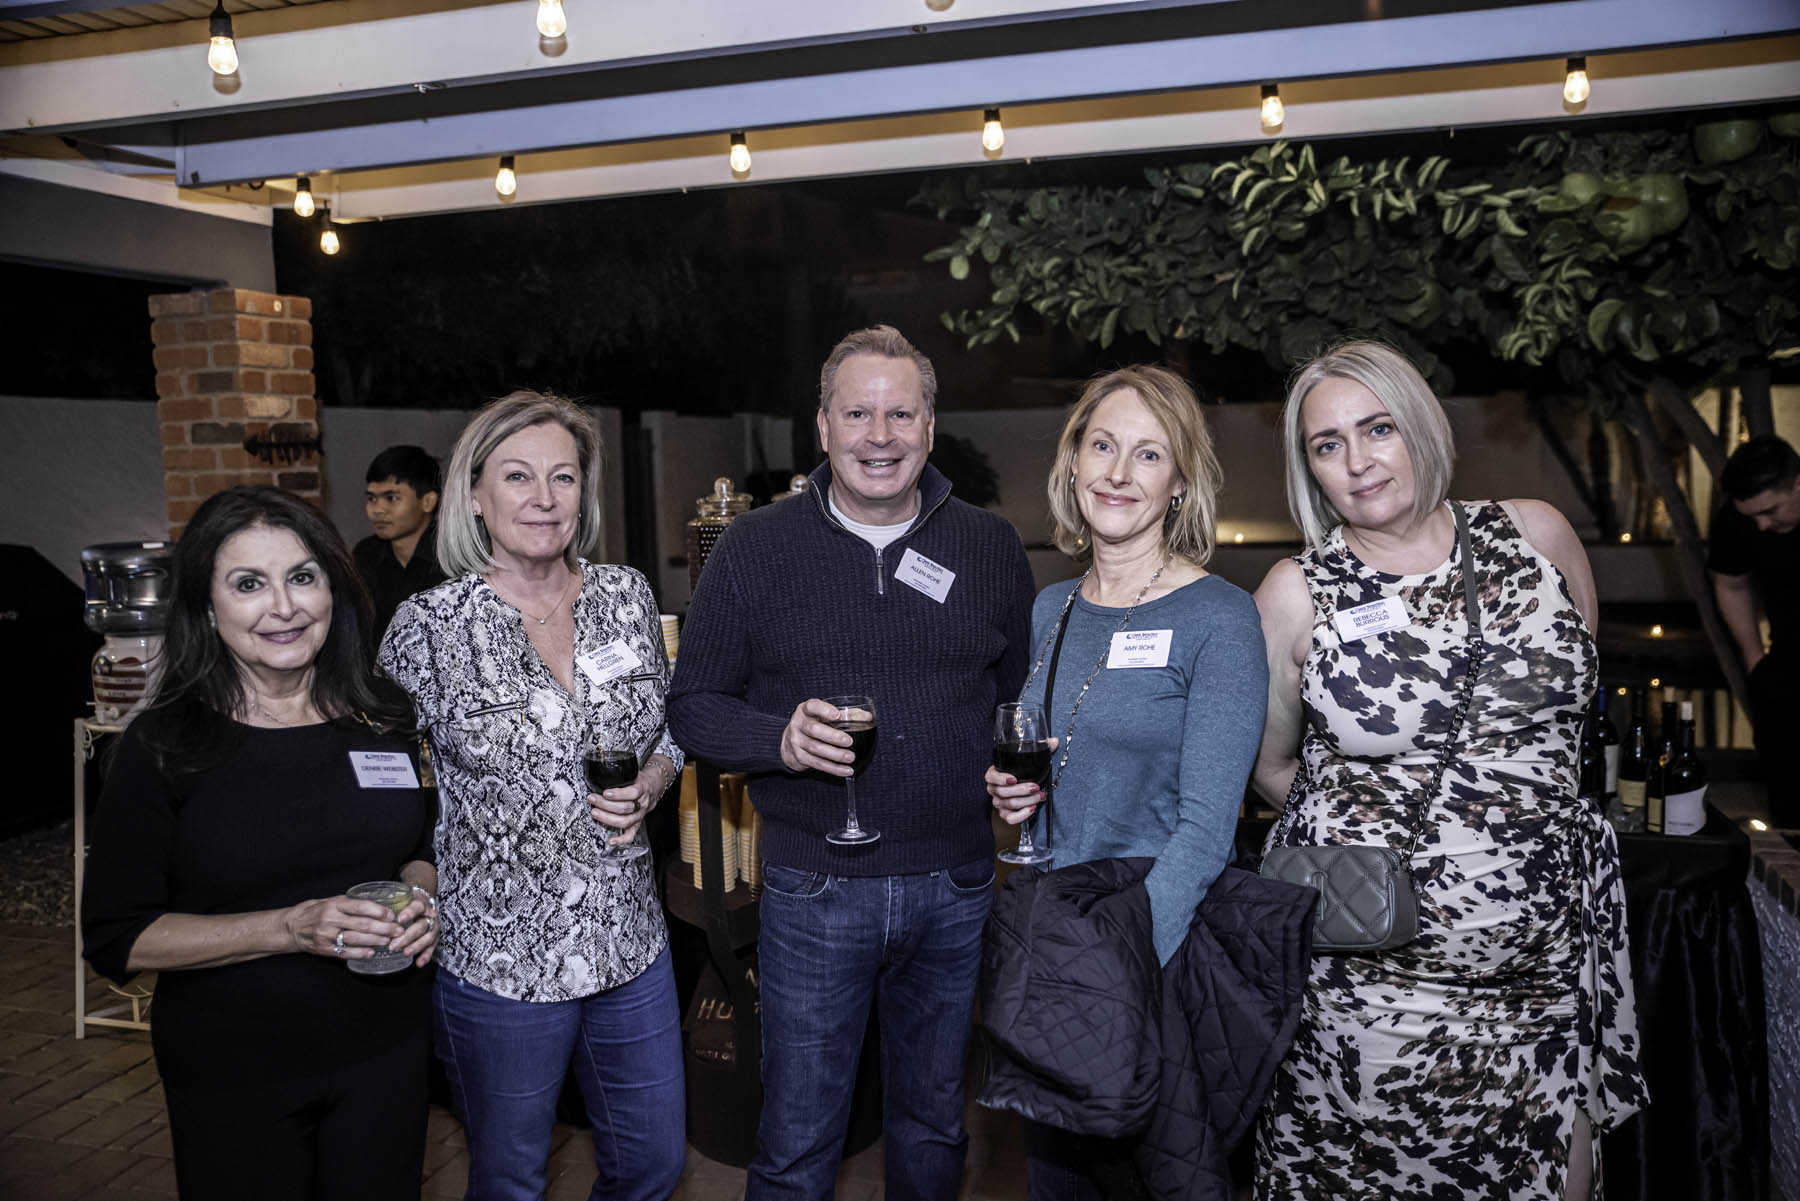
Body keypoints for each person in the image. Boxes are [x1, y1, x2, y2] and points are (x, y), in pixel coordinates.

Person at [1249, 341, 1649, 1200]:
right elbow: (1273, 767)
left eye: (1378, 428)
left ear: (1420, 425)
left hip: (1542, 965)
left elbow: (1563, 724)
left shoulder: (1536, 534)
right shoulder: (1296, 592)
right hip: (1373, 987)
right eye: (1327, 444)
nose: (1358, 461)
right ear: (1309, 468)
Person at [668, 325, 1036, 1201]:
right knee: (798, 1142)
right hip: (813, 888)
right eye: (858, 413)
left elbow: (1019, 703)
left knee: (934, 1125)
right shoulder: (754, 546)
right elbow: (692, 705)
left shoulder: (989, 546)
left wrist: (1017, 773)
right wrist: (779, 740)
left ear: (930, 426)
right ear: (823, 427)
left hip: (955, 884)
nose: (880, 435)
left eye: (901, 413)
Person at [81, 484, 439, 1201]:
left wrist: (420, 896)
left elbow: (418, 843)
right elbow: (118, 936)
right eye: (249, 584)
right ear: (205, 607)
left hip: (386, 1052)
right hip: (237, 1067)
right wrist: (289, 928)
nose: (284, 606)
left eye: (302, 576)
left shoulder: (383, 715)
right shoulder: (164, 746)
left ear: (333, 589)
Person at [378, 392, 685, 1201]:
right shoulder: (429, 625)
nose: (543, 498)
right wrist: (411, 875)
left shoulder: (625, 595)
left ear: (584, 492)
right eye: (518, 476)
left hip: (629, 942)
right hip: (499, 958)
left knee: (652, 1164)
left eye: (563, 476)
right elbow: (386, 780)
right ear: (475, 494)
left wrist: (655, 778)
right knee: (511, 1181)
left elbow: (675, 724)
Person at [984, 364, 1268, 1197]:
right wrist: (1014, 797)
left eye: (1148, 454)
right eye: (1102, 445)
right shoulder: (1053, 607)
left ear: (1179, 480)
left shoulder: (1220, 617)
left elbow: (1208, 829)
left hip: (1152, 951)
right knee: (1059, 1183)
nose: (1118, 472)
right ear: (1073, 460)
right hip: (1054, 942)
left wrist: (1123, 957)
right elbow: (1056, 767)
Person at [1709, 433, 1800, 827]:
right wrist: (1753, 658)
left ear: (1797, 484)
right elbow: (1731, 584)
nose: (1761, 525)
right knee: (1789, 796)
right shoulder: (1738, 521)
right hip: (1785, 664)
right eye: (1751, 516)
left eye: (1770, 510)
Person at [354, 444, 448, 636]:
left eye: (392, 498)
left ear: (428, 502)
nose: (378, 509)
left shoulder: (453, 558)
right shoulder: (365, 555)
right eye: (372, 499)